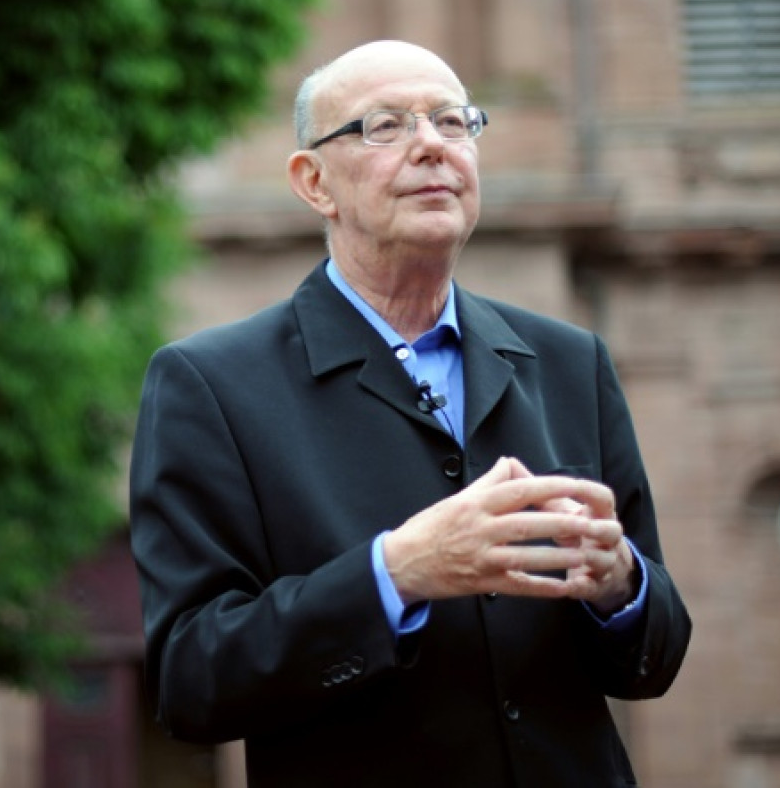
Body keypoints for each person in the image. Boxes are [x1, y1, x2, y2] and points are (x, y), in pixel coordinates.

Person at [129, 40, 691, 787]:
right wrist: (396, 574)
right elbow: (192, 678)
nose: (432, 145)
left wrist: (619, 583)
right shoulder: (211, 385)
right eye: (386, 126)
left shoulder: (569, 362)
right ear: (314, 182)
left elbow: (655, 658)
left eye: (453, 123)